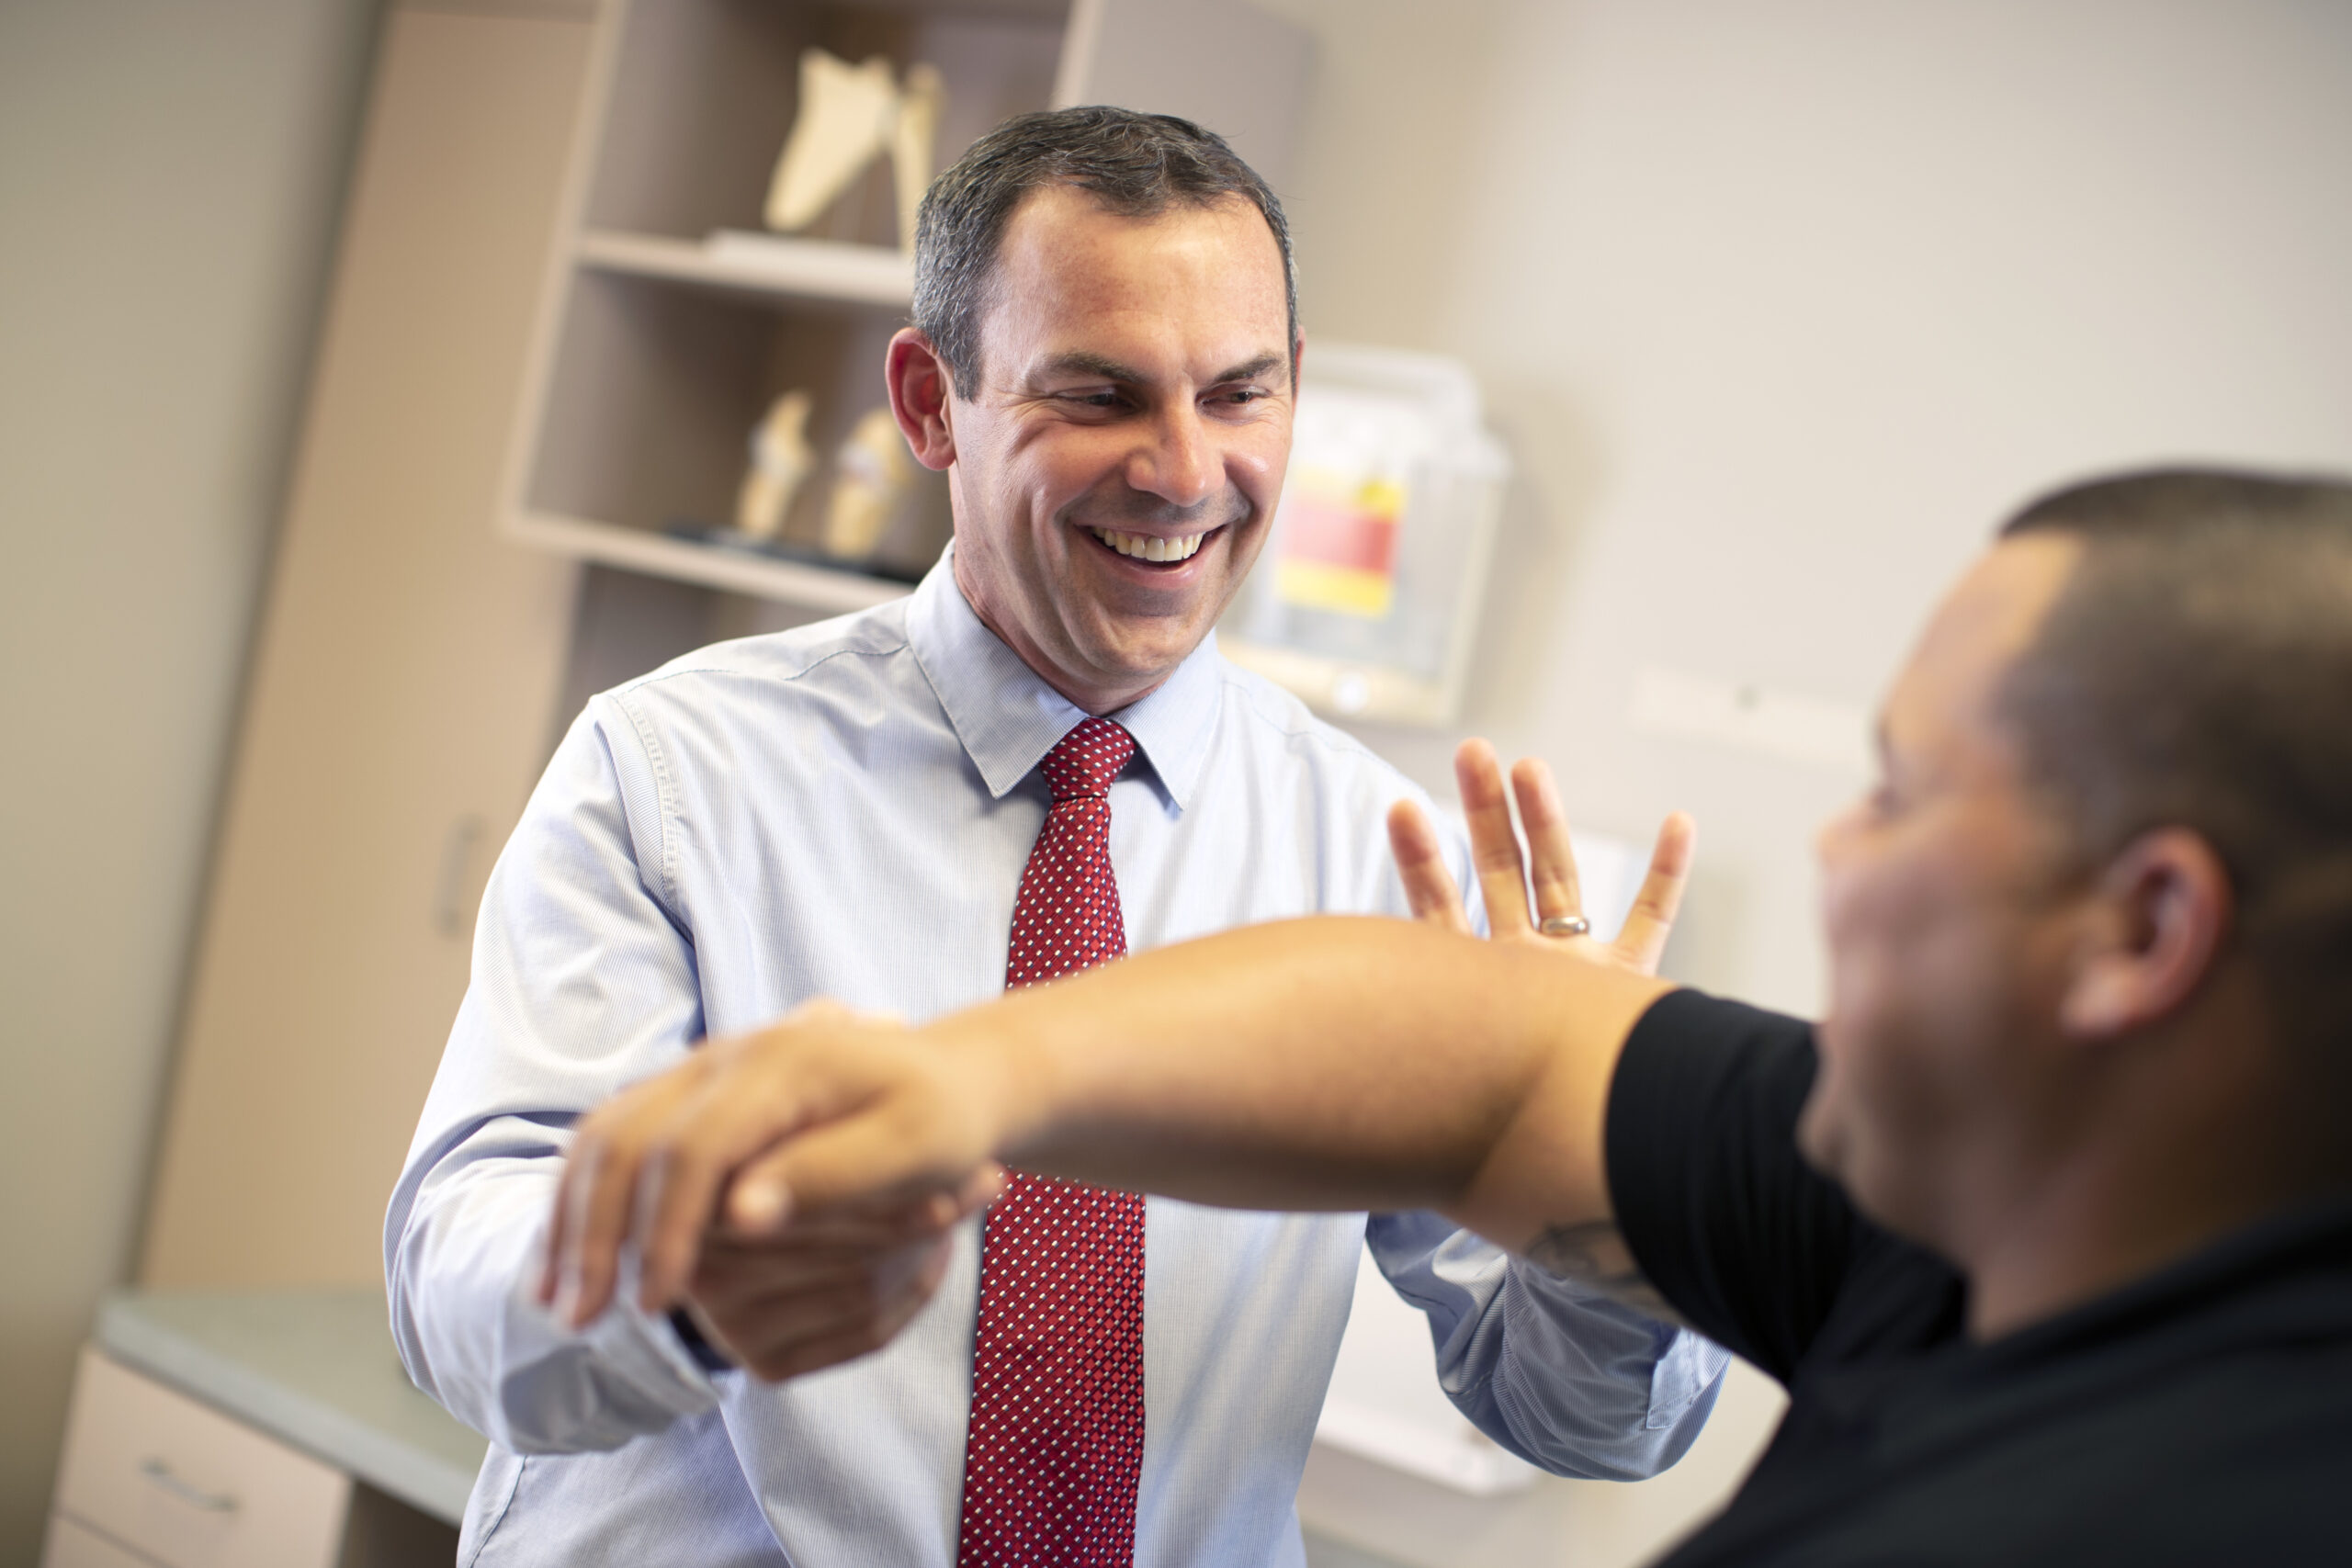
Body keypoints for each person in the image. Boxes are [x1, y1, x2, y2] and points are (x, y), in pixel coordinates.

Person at [549, 468, 2352, 1564]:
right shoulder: (1957, 1210)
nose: (1831, 846)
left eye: (1897, 791)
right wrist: (964, 1074)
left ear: (2140, 932)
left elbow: (1570, 1366)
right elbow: (1485, 1062)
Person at [387, 107, 1724, 1568]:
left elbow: (1590, 1425)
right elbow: (453, 1286)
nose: (1183, 470)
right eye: (1099, 394)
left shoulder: (1380, 862)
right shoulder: (673, 773)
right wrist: (682, 1283)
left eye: (1240, 393)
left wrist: (1609, 1174)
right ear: (930, 404)